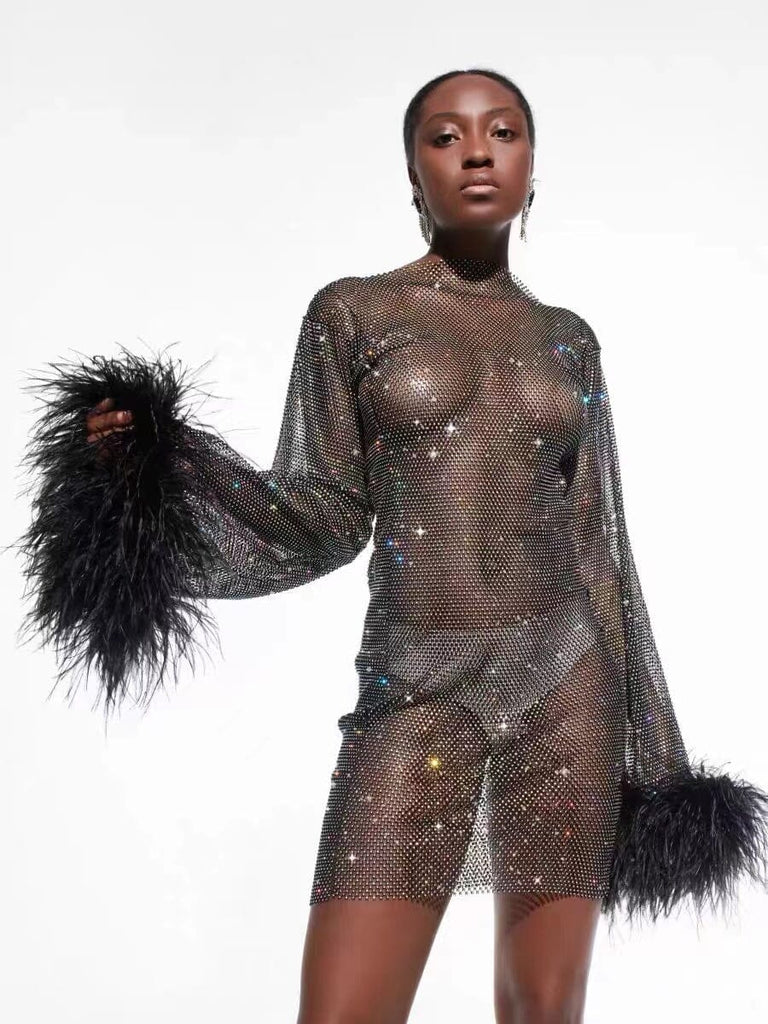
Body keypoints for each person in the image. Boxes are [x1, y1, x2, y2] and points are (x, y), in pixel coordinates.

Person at [15, 68, 768, 1024]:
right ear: (412, 174)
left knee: (543, 1011)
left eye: (503, 132)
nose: (477, 152)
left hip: (567, 696)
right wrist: (163, 467)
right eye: (446, 137)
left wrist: (654, 761)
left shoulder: (568, 339)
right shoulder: (355, 313)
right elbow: (321, 511)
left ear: (533, 169)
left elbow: (600, 549)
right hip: (416, 695)